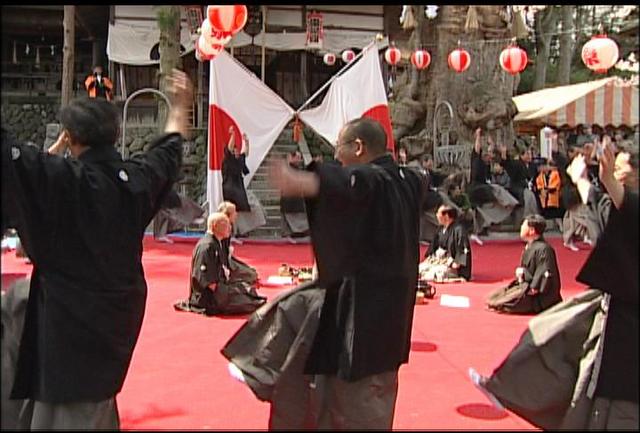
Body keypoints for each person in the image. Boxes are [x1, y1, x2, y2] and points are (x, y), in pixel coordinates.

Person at [1, 69, 191, 429]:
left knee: (71, 411)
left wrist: (52, 155)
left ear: (70, 138)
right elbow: (169, 149)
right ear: (115, 135)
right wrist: (180, 103)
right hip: (112, 322)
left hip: (67, 331)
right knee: (18, 304)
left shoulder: (56, 178)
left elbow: (12, 157)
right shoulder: (134, 181)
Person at [232, 117, 425, 429]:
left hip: (361, 331)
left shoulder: (371, 182)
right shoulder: (411, 181)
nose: (337, 157)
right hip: (389, 329)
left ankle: (262, 367)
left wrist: (308, 182)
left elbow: (355, 183)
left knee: (352, 413)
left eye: (340, 149)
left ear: (358, 148)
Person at [177, 212, 265, 316]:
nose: (230, 228)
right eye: (226, 225)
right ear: (215, 226)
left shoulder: (216, 242)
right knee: (251, 303)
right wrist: (232, 292)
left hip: (221, 287)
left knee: (249, 291)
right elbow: (209, 283)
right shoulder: (206, 247)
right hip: (210, 297)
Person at [486, 214, 562, 314]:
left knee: (508, 303)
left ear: (532, 230)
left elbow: (544, 273)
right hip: (526, 285)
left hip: (539, 296)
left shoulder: (544, 249)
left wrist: (533, 287)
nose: (521, 227)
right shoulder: (531, 246)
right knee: (497, 295)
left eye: (523, 225)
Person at [419, 204, 472, 281]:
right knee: (420, 269)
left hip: (451, 265)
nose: (436, 215)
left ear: (446, 216)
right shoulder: (440, 229)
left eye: (438, 213)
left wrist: (456, 263)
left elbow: (462, 249)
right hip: (439, 261)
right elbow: (433, 248)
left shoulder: (459, 230)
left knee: (434, 274)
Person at [217, 200, 259, 286]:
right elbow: (223, 253)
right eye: (234, 212)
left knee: (252, 272)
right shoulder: (223, 228)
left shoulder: (228, 226)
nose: (236, 214)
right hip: (223, 262)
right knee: (251, 275)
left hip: (228, 258)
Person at [280, 150, 310, 239]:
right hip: (290, 200)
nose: (299, 159)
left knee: (297, 221)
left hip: (295, 199)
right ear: (291, 158)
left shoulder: (296, 169)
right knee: (294, 221)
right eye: (297, 157)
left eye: (300, 157)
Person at [222, 127, 251, 212]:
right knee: (230, 208)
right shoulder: (228, 159)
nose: (237, 152)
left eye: (237, 150)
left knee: (243, 206)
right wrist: (233, 135)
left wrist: (246, 142)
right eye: (235, 150)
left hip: (238, 185)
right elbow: (230, 147)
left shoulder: (239, 159)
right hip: (229, 185)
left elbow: (245, 153)